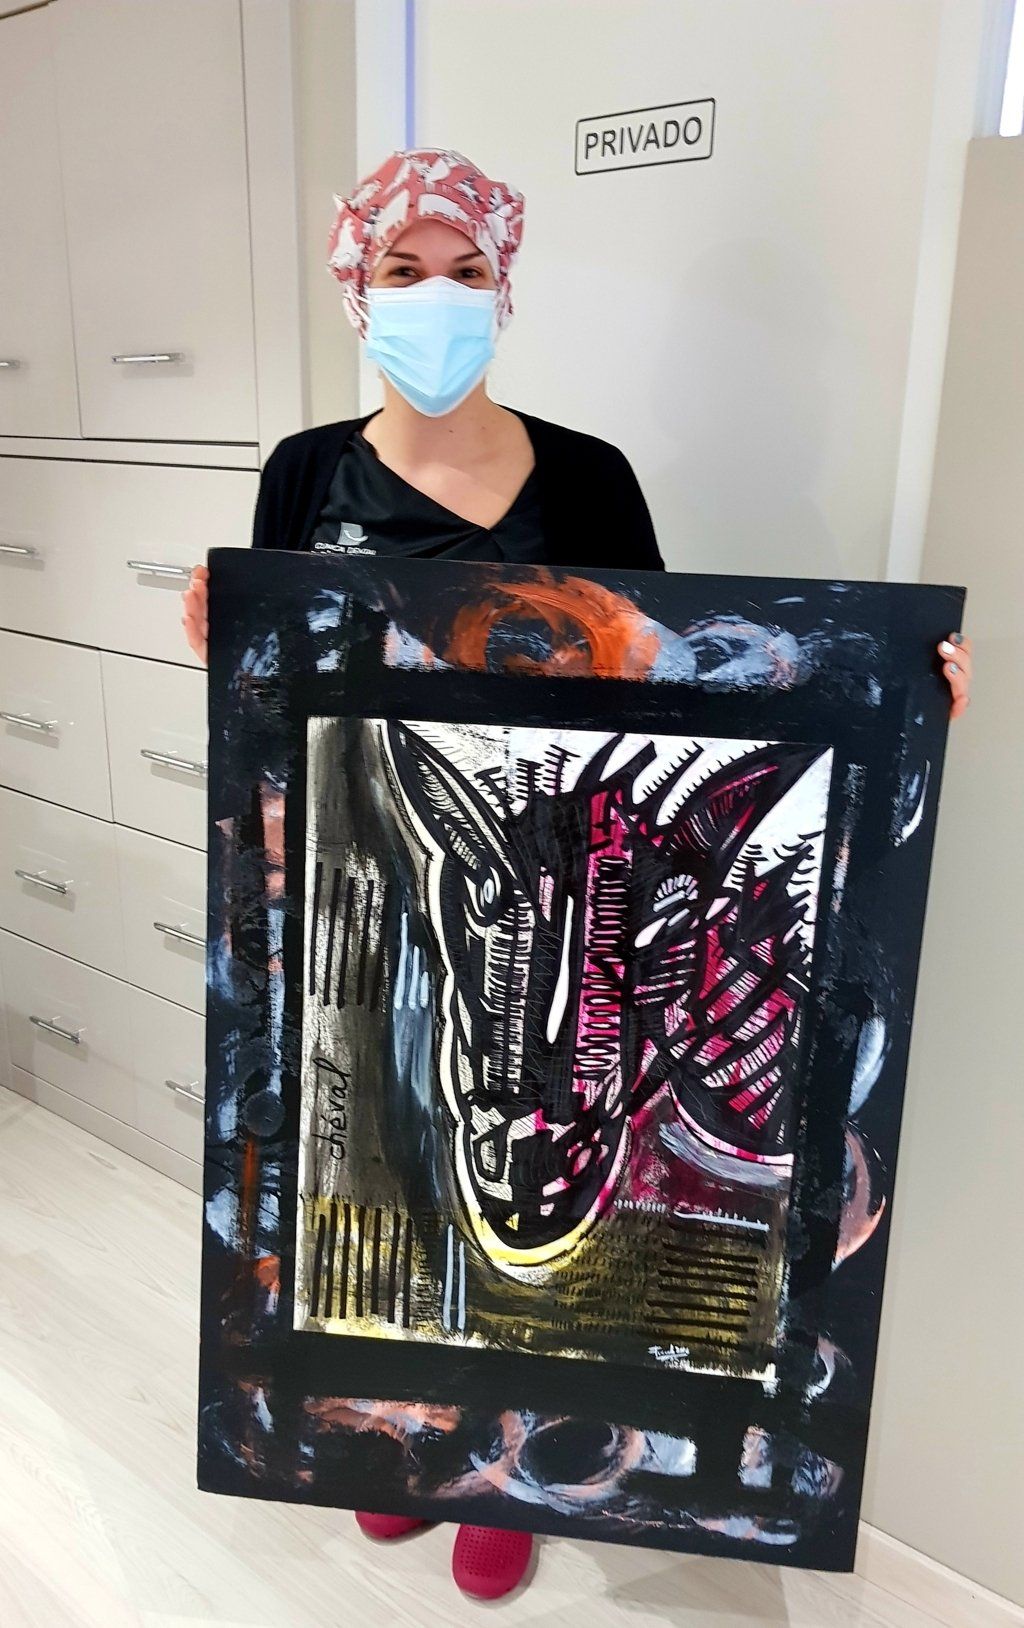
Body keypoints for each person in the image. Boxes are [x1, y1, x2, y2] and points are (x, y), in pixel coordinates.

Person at [182, 146, 973, 1603]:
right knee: (397, 1146)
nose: (435, 297)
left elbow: (679, 681)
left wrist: (897, 696)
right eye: (404, 269)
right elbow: (280, 683)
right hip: (394, 858)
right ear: (357, 286)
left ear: (504, 288)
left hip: (577, 874)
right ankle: (400, 1446)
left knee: (555, 1149)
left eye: (465, 271)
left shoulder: (590, 475)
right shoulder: (305, 469)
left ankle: (507, 1466)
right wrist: (217, 644)